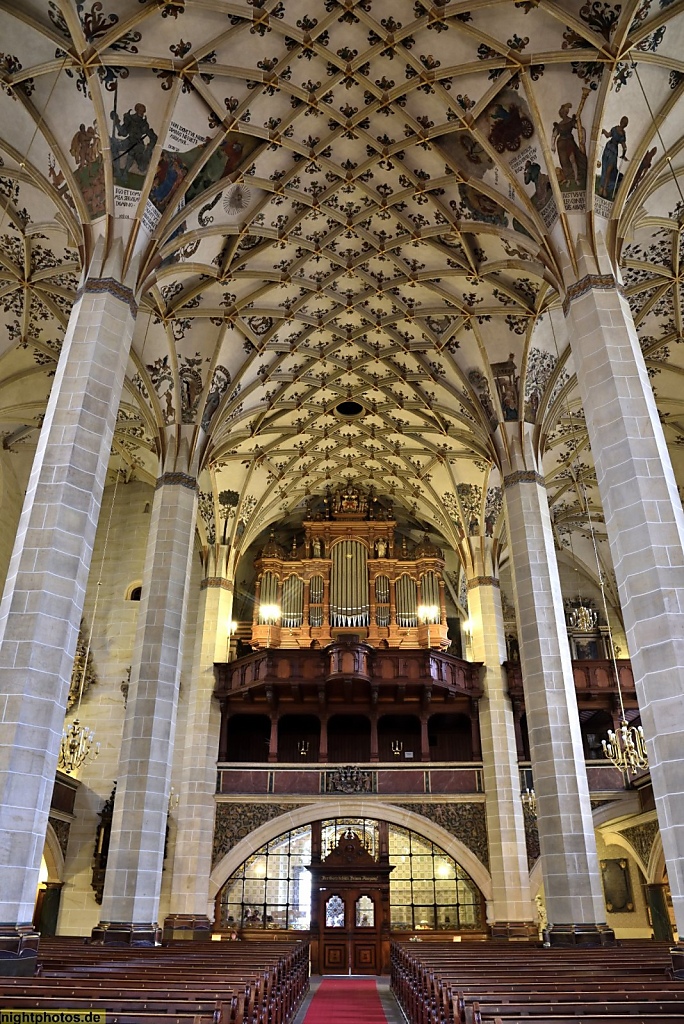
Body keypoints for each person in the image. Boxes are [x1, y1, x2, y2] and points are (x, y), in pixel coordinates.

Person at [598, 116, 628, 199]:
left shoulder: (623, 134)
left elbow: (624, 146)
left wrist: (624, 154)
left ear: (626, 125)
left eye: (625, 123)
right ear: (620, 121)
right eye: (622, 121)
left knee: (609, 171)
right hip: (608, 148)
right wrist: (603, 131)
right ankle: (601, 187)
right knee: (604, 168)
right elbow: (608, 135)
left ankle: (605, 189)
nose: (623, 123)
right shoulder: (614, 129)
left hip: (614, 152)